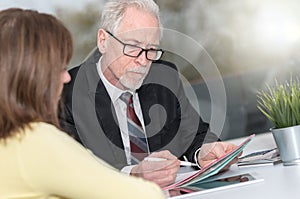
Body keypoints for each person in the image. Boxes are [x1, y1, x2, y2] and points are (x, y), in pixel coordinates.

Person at [60, 0, 239, 188]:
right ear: (103, 41)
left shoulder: (164, 77)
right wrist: (133, 174)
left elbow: (193, 132)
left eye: (151, 49)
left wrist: (204, 151)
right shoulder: (66, 94)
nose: (143, 61)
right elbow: (71, 170)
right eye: (132, 46)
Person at [0, 8, 165, 199]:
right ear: (30, 75)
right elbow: (146, 196)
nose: (66, 77)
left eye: (151, 50)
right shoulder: (34, 141)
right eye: (59, 68)